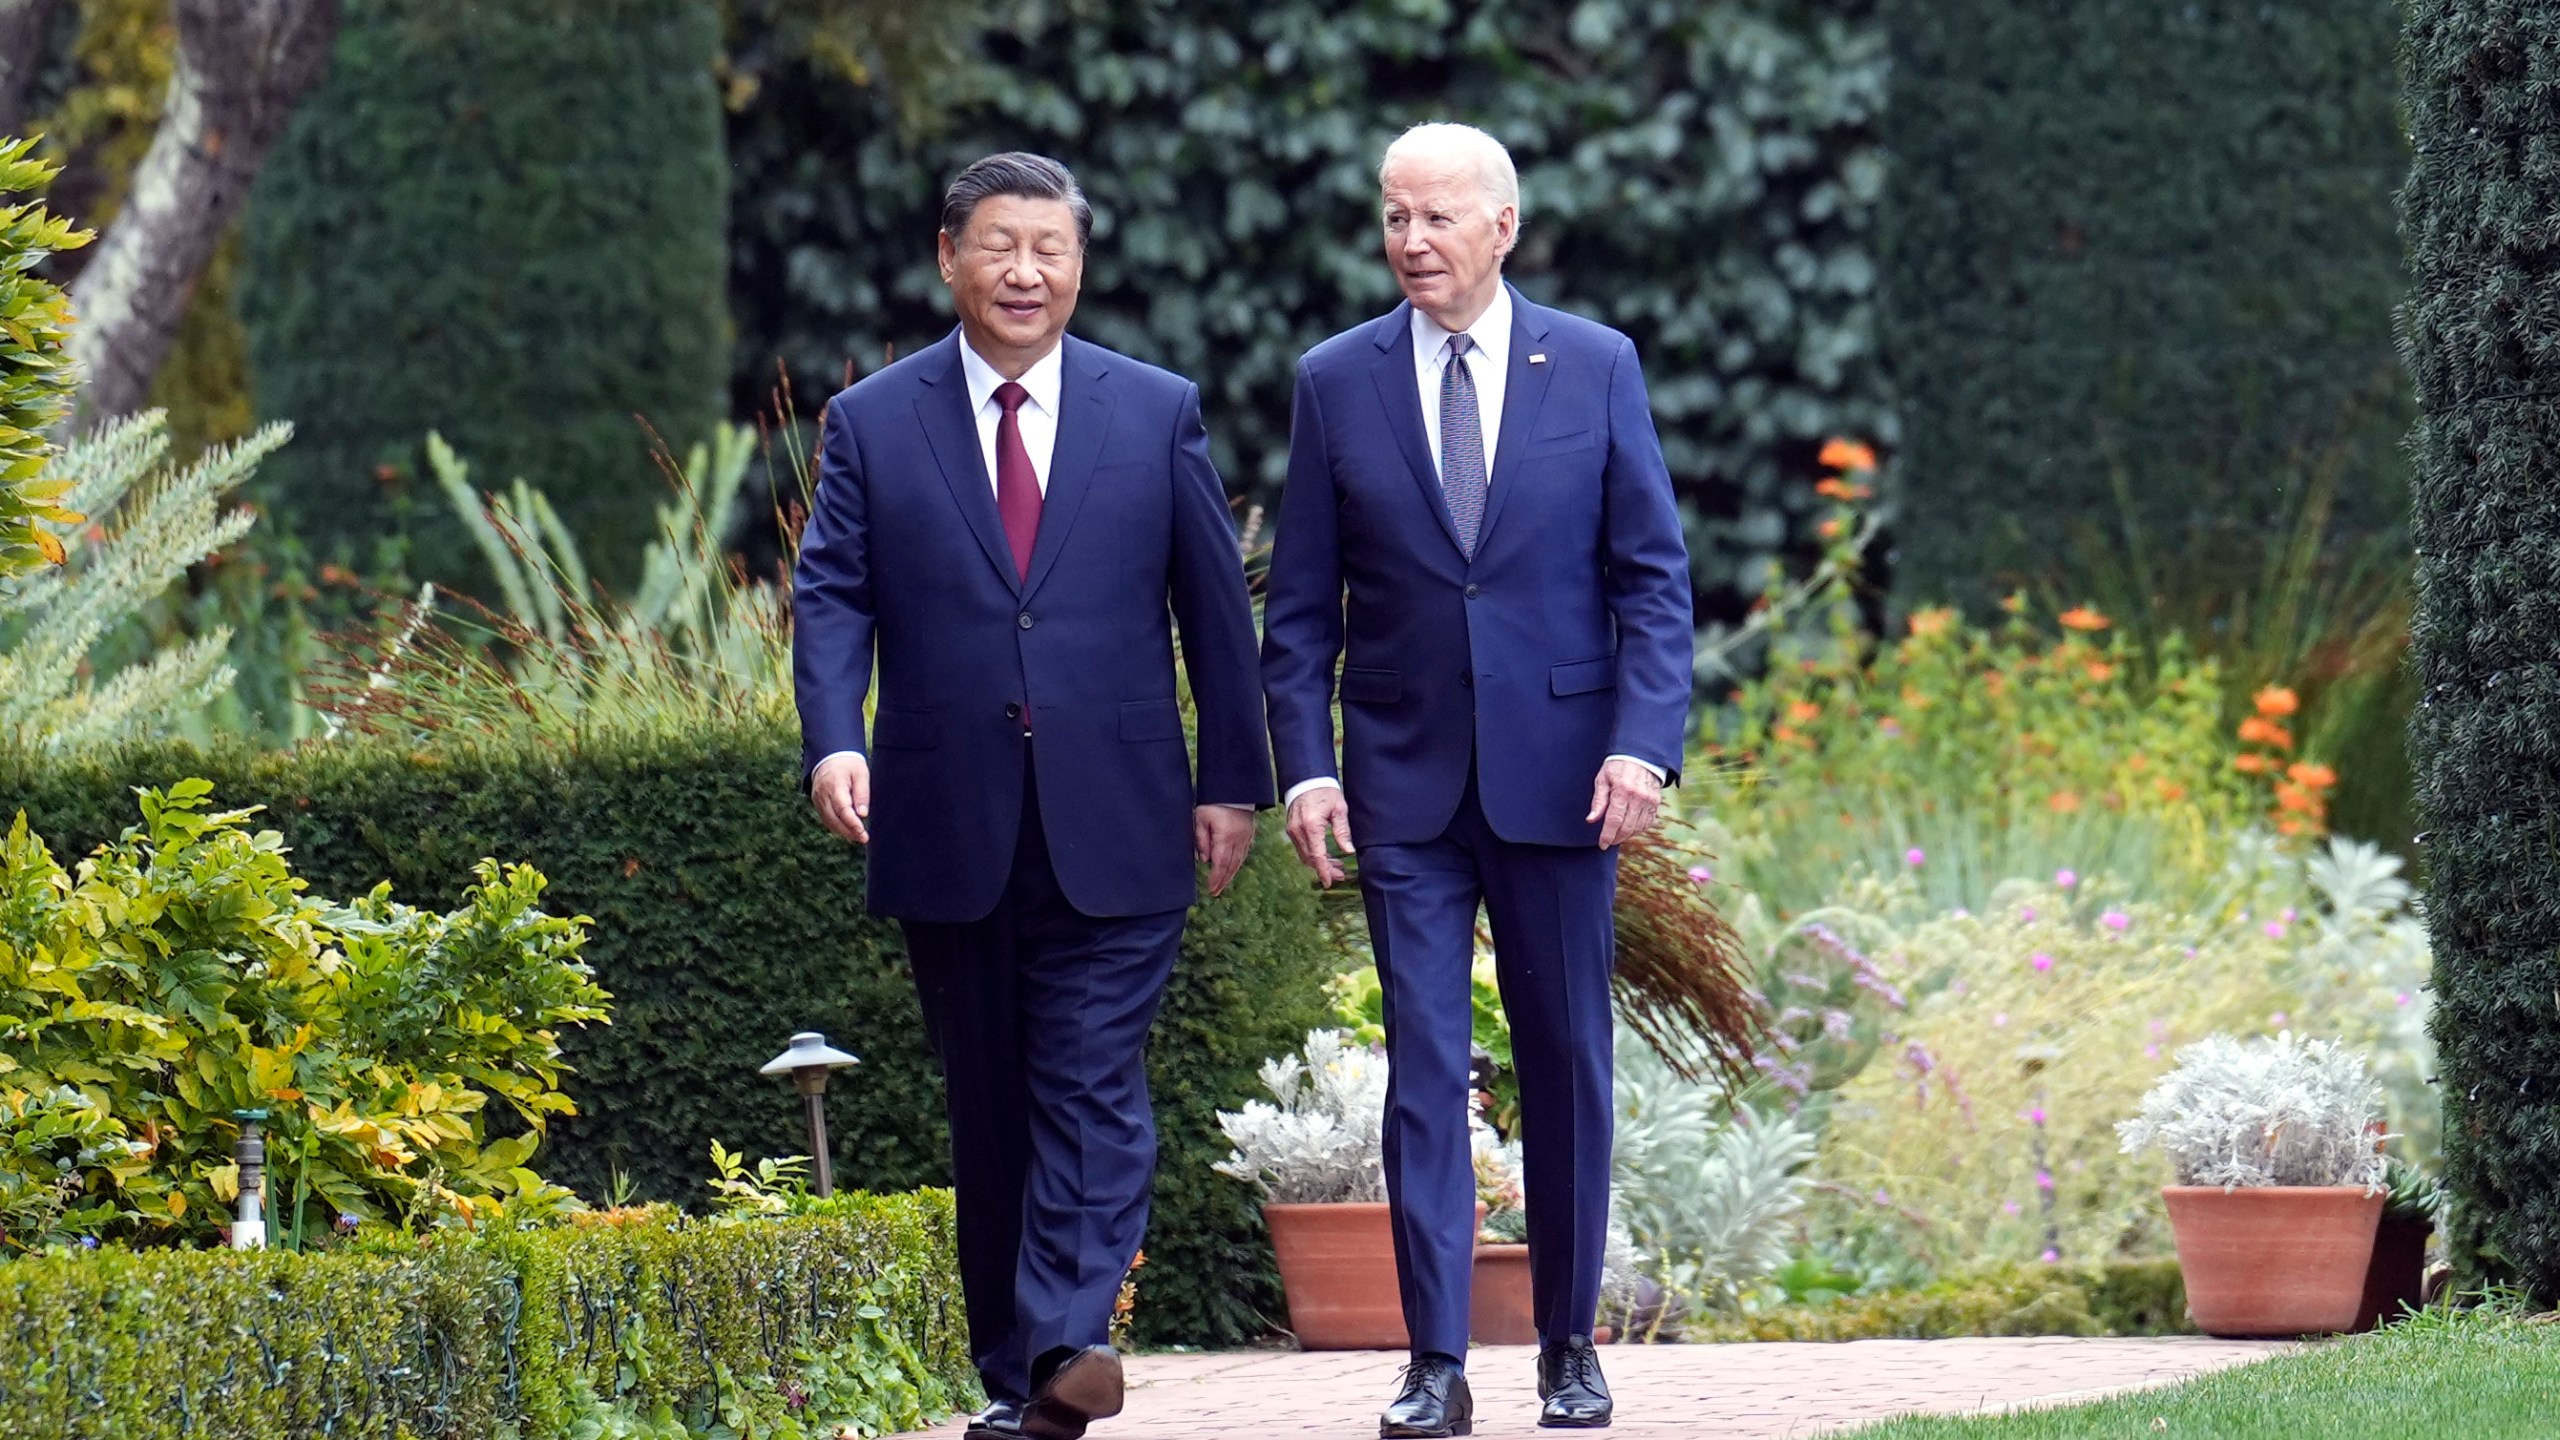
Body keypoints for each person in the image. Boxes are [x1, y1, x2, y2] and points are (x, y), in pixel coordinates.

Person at [792, 151, 1272, 1440]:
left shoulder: (1153, 407)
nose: (1026, 271)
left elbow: (1213, 613)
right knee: (991, 1101)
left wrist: (1235, 781)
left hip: (1118, 813)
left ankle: (1068, 1335)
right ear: (948, 256)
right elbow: (832, 592)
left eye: (1050, 248)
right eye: (1000, 245)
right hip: (948, 819)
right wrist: (835, 739)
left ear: (1079, 263)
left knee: (1093, 1080)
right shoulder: (874, 421)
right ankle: (1017, 1379)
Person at [1260, 121, 1694, 1437]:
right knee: (1425, 1066)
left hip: (1566, 782)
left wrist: (1642, 741)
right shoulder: (1336, 383)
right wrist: (1307, 770)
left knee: (1566, 1058)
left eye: (1438, 217)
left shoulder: (1597, 366)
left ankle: (1568, 1348)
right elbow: (1301, 613)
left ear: (1503, 226)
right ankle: (1435, 1366)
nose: (1412, 242)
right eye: (1395, 216)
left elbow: (1653, 583)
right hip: (1403, 784)